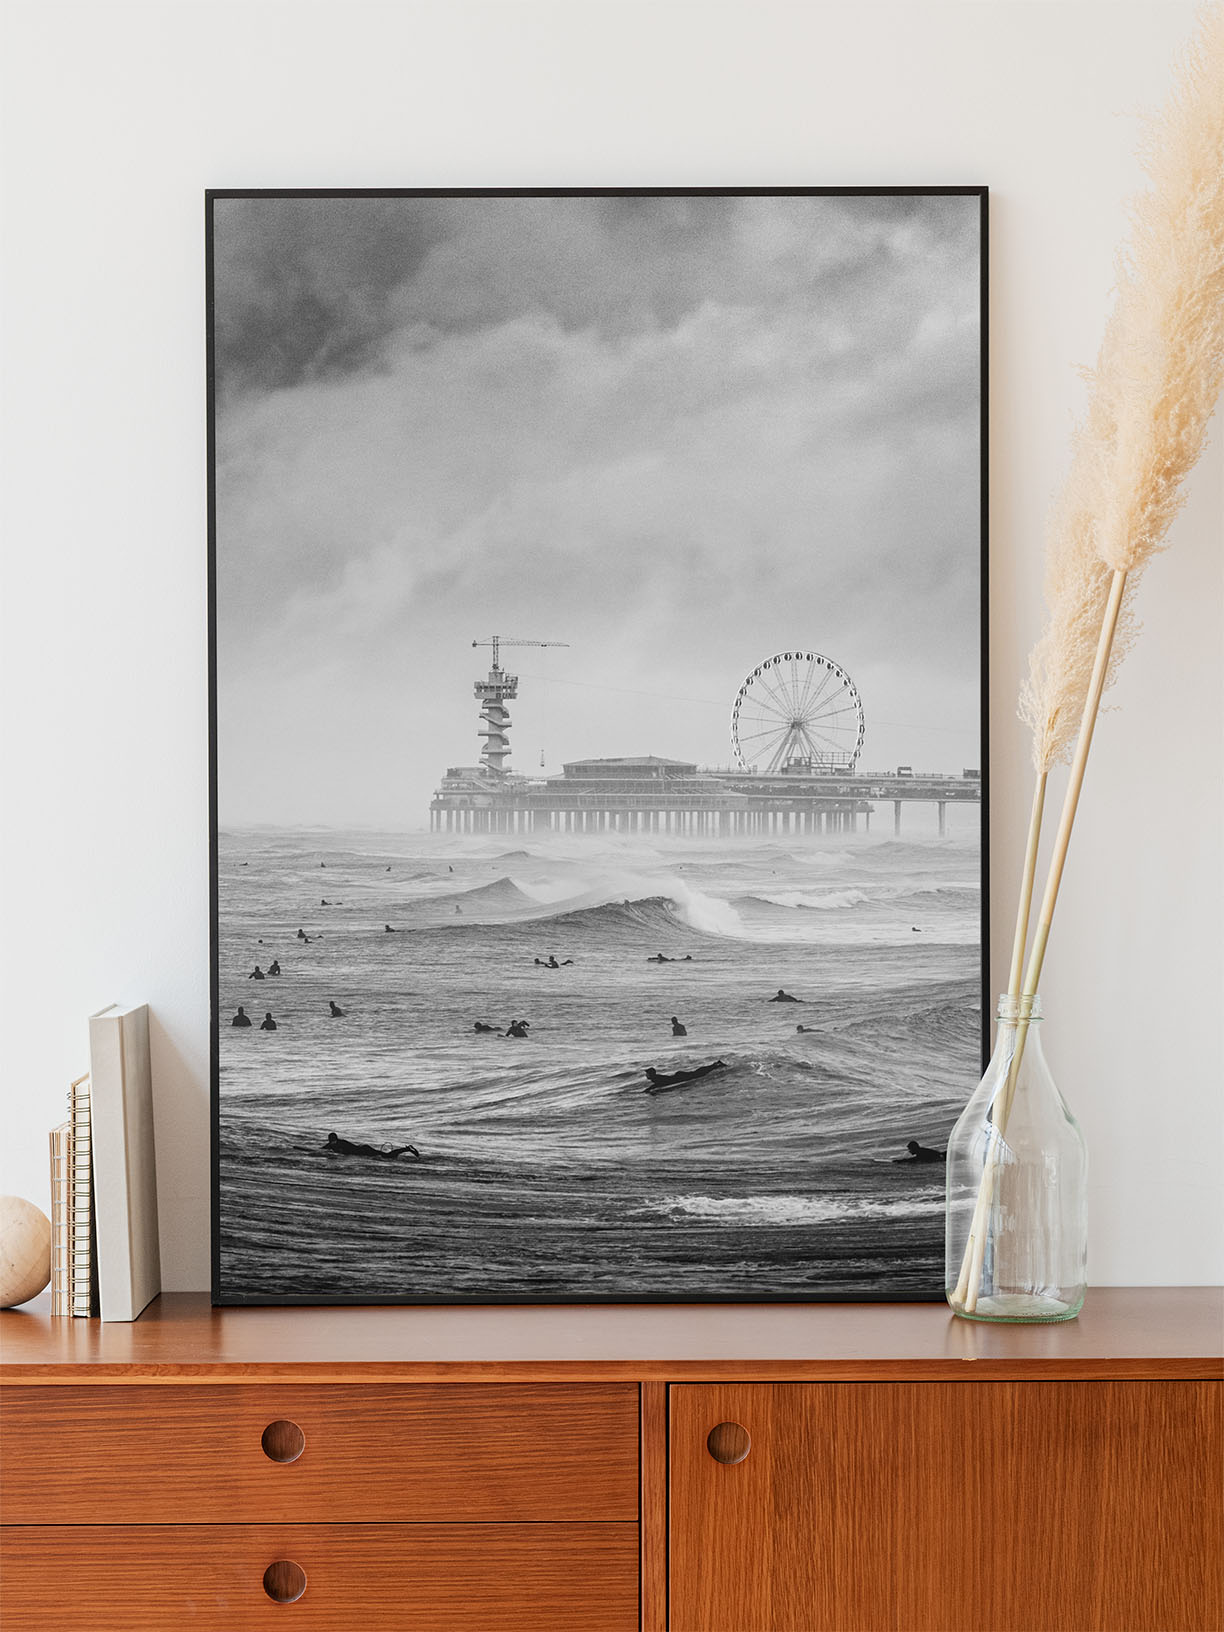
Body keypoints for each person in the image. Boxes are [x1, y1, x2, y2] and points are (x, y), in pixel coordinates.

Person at [643, 1059, 727, 1093]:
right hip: (678, 1076)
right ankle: (714, 1065)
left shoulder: (656, 1078)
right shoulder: (656, 1078)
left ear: (651, 1074)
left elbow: (658, 1084)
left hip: (679, 1078)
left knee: (697, 1074)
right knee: (696, 1073)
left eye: (647, 1074)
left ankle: (716, 1065)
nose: (646, 1075)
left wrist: (648, 1090)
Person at [324, 1132, 420, 1160]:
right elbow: (321, 1150)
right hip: (363, 1150)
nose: (332, 1142)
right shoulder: (331, 1145)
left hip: (364, 1150)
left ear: (335, 1139)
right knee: (387, 1156)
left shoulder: (341, 1143)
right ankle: (407, 1149)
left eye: (333, 1141)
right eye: (331, 1141)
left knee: (387, 1156)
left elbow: (351, 1149)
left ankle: (407, 1149)